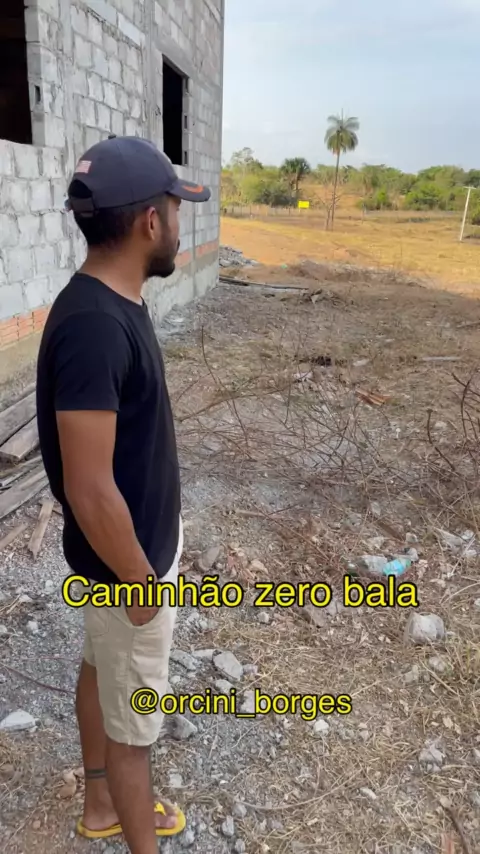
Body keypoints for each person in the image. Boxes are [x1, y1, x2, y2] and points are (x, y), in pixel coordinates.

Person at [36, 135, 211, 854]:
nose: (180, 224)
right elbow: (88, 485)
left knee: (97, 667)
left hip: (119, 561)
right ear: (149, 221)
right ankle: (125, 816)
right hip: (124, 569)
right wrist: (141, 581)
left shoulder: (111, 303)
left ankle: (100, 801)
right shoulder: (95, 328)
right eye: (176, 209)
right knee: (136, 733)